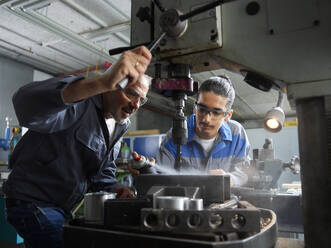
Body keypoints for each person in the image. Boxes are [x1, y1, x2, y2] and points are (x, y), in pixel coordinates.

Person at [3, 46, 152, 248]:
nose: (136, 105)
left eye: (141, 100)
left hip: (61, 208)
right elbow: (24, 103)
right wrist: (101, 82)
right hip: (32, 202)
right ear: (113, 85)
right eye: (132, 94)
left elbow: (101, 174)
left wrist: (116, 188)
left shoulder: (119, 125)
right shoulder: (79, 102)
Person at [129, 75, 250, 187]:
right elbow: (160, 175)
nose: (206, 119)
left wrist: (230, 179)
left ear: (228, 115)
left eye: (216, 112)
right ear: (194, 108)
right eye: (202, 109)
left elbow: (245, 173)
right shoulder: (176, 134)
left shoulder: (237, 134)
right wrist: (146, 171)